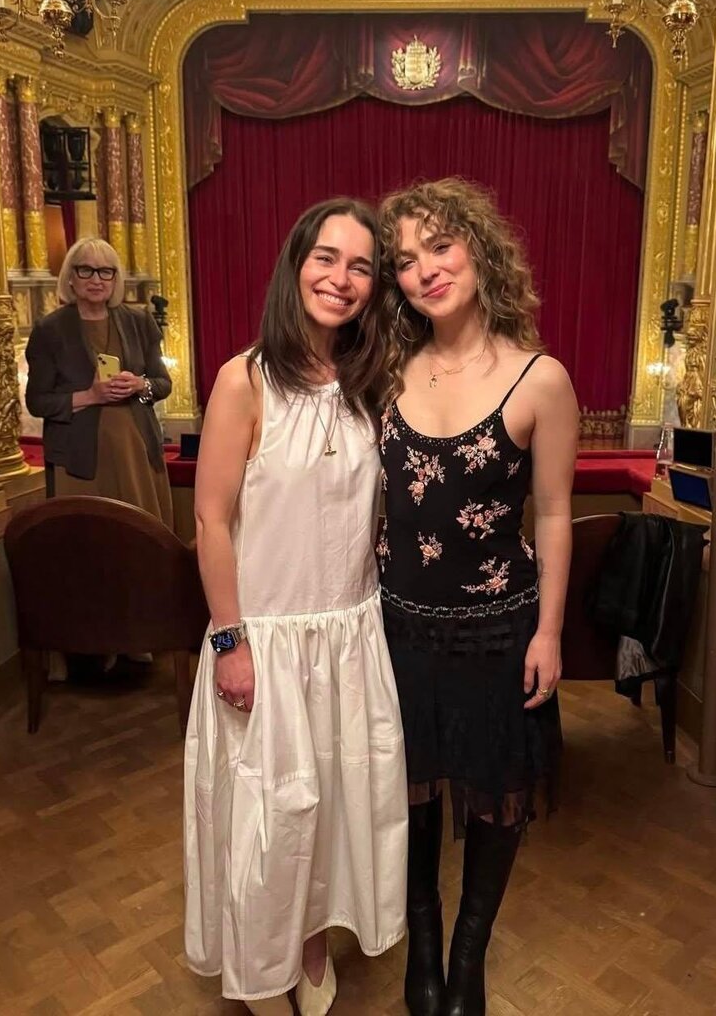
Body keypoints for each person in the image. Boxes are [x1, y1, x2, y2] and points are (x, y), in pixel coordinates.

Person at [184, 198, 408, 1015]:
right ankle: (261, 965)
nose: (341, 278)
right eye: (326, 258)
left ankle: (311, 945)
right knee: (269, 818)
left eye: (361, 266)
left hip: (349, 638)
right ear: (295, 264)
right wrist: (231, 641)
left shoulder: (371, 383)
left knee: (333, 813)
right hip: (266, 641)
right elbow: (211, 519)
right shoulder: (244, 380)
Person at [376, 178, 578, 1016]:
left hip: (500, 632)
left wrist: (550, 633)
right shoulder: (384, 372)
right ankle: (422, 944)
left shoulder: (541, 379)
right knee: (412, 794)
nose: (425, 269)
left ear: (479, 249)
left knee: (496, 799)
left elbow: (556, 514)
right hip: (397, 631)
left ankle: (467, 956)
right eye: (404, 260)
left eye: (440, 246)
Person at [25, 236, 173, 679]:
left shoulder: (138, 322)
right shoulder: (50, 330)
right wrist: (89, 395)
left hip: (135, 452)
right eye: (86, 270)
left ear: (115, 279)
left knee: (138, 546)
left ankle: (139, 639)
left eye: (105, 271)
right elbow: (38, 401)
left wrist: (140, 386)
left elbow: (161, 384)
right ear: (70, 278)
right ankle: (93, 644)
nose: (96, 279)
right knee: (89, 550)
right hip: (80, 462)